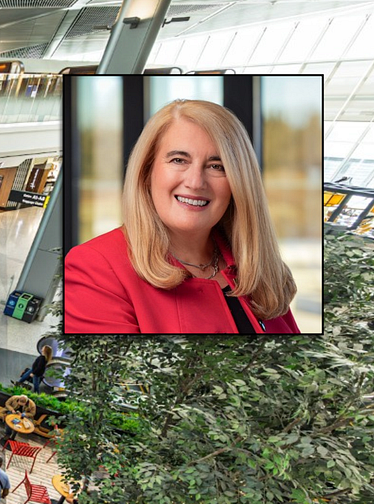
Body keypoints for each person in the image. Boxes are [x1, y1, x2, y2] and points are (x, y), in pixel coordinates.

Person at [64, 99, 299, 334]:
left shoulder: (258, 268)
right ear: (147, 172)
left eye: (217, 166)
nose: (196, 182)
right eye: (179, 160)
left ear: (239, 182)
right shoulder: (96, 267)